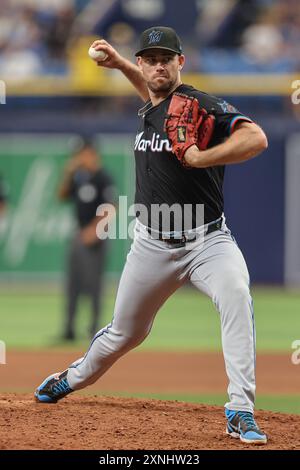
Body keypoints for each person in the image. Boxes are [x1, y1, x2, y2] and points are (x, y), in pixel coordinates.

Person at [35, 27, 268, 445]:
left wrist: (202, 158)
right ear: (142, 63)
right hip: (151, 244)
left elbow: (256, 138)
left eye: (167, 58)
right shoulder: (153, 105)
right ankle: (70, 377)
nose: (158, 65)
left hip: (207, 240)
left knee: (235, 294)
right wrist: (121, 64)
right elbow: (152, 95)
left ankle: (240, 409)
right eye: (150, 58)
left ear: (182, 62)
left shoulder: (200, 104)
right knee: (126, 333)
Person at [58, 140, 116, 340]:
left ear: (91, 153)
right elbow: (61, 195)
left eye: (81, 154)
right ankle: (69, 330)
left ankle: (94, 330)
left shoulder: (103, 177)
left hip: (96, 238)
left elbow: (111, 207)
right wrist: (68, 172)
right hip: (78, 235)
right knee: (73, 284)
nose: (78, 158)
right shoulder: (79, 178)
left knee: (94, 285)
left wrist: (94, 230)